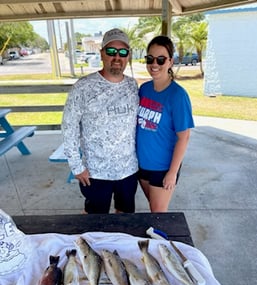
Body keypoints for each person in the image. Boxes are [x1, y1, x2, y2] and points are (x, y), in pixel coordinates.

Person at [62, 28, 139, 214]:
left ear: (128, 56)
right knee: (94, 224)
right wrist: (76, 167)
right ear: (102, 53)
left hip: (128, 170)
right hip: (95, 172)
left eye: (123, 52)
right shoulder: (83, 87)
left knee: (125, 220)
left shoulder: (132, 85)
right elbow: (68, 128)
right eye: (111, 51)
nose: (117, 57)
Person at [136, 35, 194, 212]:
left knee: (159, 216)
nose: (155, 64)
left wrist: (172, 173)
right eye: (150, 58)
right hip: (141, 164)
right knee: (154, 210)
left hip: (163, 167)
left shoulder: (177, 96)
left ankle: (163, 241)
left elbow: (184, 138)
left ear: (170, 61)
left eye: (161, 59)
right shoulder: (144, 89)